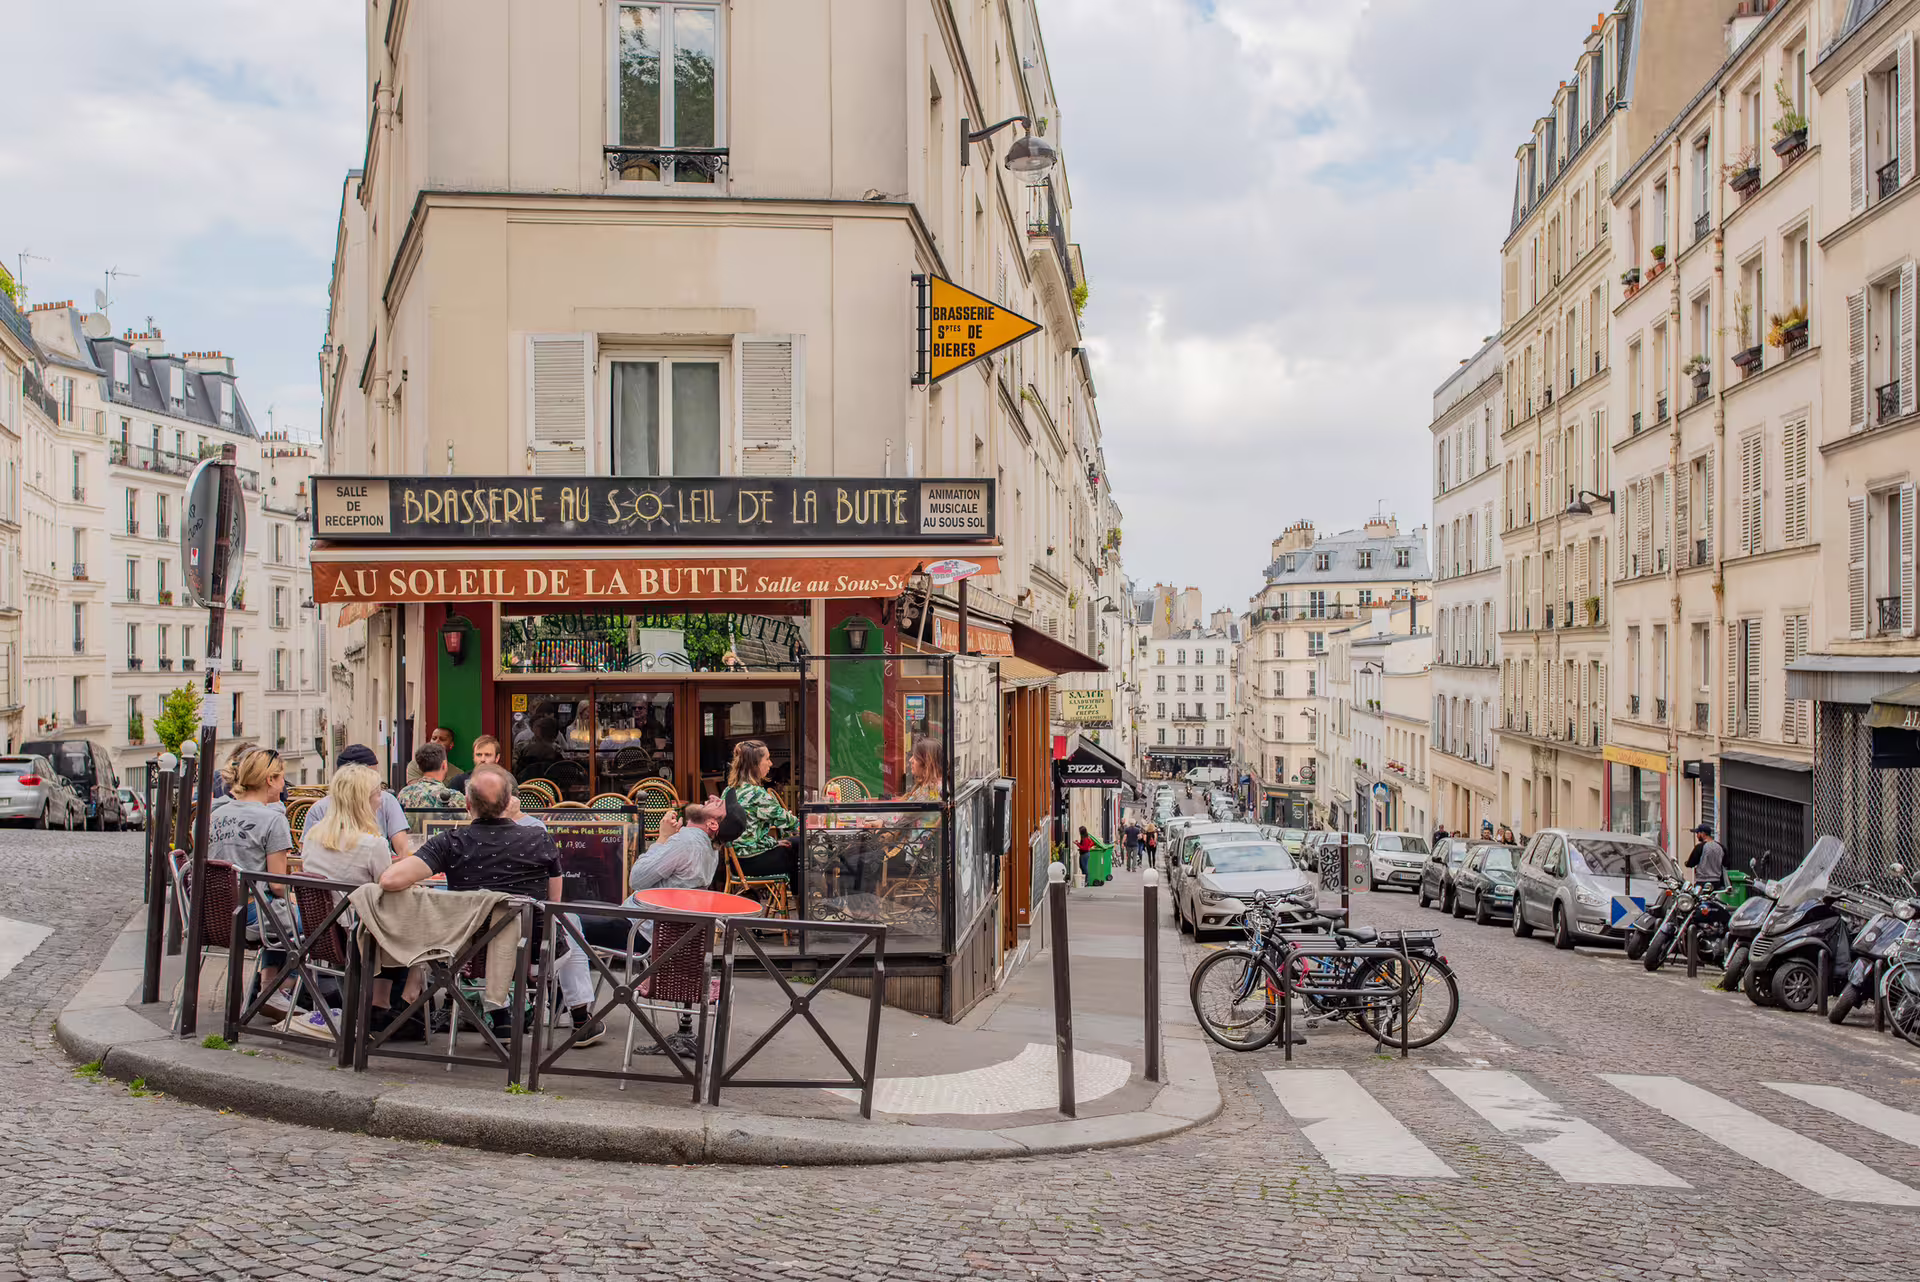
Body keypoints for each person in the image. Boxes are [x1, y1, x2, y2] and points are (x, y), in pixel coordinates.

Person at [379, 766, 606, 1047]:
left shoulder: (450, 843)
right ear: (510, 801)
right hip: (531, 952)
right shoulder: (539, 839)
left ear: (467, 804)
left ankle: (499, 1015)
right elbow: (553, 904)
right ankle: (580, 1015)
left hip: (463, 950)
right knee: (567, 921)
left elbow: (390, 880)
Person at [300, 763, 422, 1038]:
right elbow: (389, 886)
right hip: (357, 936)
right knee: (414, 915)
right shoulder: (372, 844)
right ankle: (403, 993)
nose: (381, 800)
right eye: (378, 794)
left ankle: (382, 1001)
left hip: (322, 933)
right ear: (363, 800)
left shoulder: (313, 836)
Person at [208, 748, 296, 1020]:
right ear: (270, 779)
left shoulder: (213, 815)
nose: (284, 786)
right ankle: (276, 989)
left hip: (212, 916)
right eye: (282, 778)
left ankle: (271, 991)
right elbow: (278, 884)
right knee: (318, 923)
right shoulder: (273, 819)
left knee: (283, 915)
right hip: (250, 916)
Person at [306, 745, 414, 860]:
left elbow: (403, 850)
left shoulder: (386, 800)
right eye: (372, 778)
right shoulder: (375, 844)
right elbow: (401, 853)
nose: (378, 788)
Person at [724, 739, 799, 886]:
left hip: (735, 861)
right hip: (751, 861)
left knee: (794, 845)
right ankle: (804, 906)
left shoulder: (729, 790)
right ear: (755, 764)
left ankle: (798, 903)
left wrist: (773, 843)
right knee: (802, 856)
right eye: (767, 759)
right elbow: (792, 824)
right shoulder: (757, 794)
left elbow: (748, 835)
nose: (771, 764)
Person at [396, 742, 464, 831]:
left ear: (419, 767)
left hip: (411, 844)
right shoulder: (454, 797)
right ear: (444, 765)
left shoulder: (404, 794)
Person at [1686, 822, 1726, 887]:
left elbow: (1691, 863)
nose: (1697, 835)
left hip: (1702, 882)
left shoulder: (1700, 847)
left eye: (1697, 833)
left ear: (1703, 833)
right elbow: (1726, 863)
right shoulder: (1721, 847)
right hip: (1717, 882)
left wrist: (1687, 863)